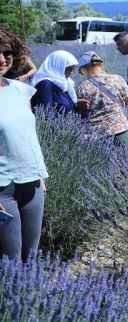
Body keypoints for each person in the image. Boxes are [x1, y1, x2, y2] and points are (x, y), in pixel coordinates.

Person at [0, 28, 48, 261]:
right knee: (11, 260)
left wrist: (39, 173)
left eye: (7, 52)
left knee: (31, 257)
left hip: (32, 182)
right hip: (2, 189)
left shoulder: (21, 90)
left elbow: (29, 135)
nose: (2, 59)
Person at [75, 51, 128, 145]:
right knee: (127, 154)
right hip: (121, 129)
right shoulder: (117, 79)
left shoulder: (82, 87)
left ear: (84, 69)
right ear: (100, 65)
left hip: (98, 134)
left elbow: (82, 113)